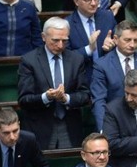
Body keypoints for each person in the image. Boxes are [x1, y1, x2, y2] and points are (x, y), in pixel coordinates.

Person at [17, 17, 90, 150]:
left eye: (65, 41)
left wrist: (66, 98)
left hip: (69, 127)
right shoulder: (29, 61)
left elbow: (85, 95)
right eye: (55, 40)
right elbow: (24, 100)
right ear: (43, 37)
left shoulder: (76, 59)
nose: (60, 45)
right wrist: (46, 97)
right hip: (40, 127)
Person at [91, 21, 137, 130]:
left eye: (136, 40)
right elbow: (99, 101)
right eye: (127, 40)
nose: (132, 45)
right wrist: (104, 129)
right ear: (116, 39)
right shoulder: (102, 65)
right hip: (115, 122)